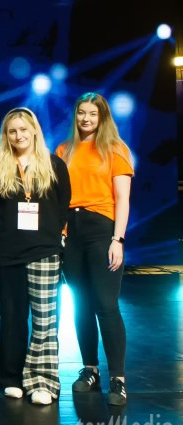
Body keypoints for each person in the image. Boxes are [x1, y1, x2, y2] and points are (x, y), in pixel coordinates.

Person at [0, 107, 71, 406]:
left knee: (45, 318)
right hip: (9, 250)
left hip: (44, 249)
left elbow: (62, 204)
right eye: (12, 131)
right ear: (6, 135)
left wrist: (52, 236)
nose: (18, 135)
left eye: (23, 129)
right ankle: (11, 378)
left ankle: (42, 380)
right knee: (12, 316)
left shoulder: (54, 165)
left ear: (34, 130)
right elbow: (0, 207)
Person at [57, 92, 134, 406]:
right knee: (81, 304)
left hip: (102, 230)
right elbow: (58, 197)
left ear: (102, 117)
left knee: (106, 304)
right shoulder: (64, 150)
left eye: (92, 114)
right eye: (81, 113)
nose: (86, 119)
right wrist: (61, 233)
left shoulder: (115, 148)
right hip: (71, 232)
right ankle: (90, 369)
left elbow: (123, 199)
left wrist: (118, 240)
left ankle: (118, 378)